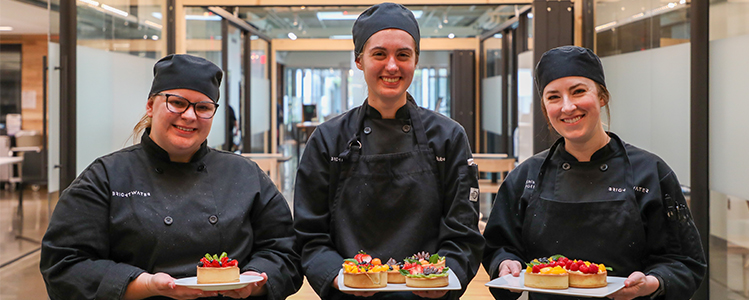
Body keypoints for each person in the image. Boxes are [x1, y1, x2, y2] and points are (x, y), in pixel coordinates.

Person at [40, 54, 302, 300]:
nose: (189, 116)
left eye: (203, 107)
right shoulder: (106, 176)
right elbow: (63, 264)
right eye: (177, 102)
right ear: (150, 105)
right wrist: (143, 285)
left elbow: (286, 251)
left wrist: (252, 283)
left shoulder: (244, 174)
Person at [482, 46, 706, 300]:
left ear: (602, 96)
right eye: (553, 97)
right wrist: (505, 263)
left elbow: (684, 261)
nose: (567, 107)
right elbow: (499, 246)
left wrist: (652, 283)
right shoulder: (525, 177)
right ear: (545, 107)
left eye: (578, 92)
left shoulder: (650, 173)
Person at [293, 3, 484, 300]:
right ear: (359, 61)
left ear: (416, 60)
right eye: (379, 54)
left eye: (403, 55)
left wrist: (444, 279)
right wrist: (339, 277)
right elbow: (309, 235)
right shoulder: (328, 140)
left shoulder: (448, 137)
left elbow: (463, 233)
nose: (392, 66)